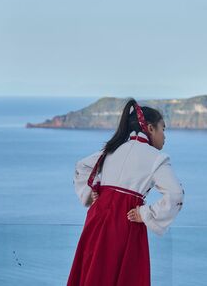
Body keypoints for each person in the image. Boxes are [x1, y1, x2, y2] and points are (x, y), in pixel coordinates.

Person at [67, 98, 184, 286]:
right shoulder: (157, 158)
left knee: (93, 276)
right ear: (150, 128)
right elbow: (176, 195)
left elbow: (82, 167)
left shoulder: (111, 149)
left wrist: (92, 193)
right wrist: (145, 214)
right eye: (163, 128)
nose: (165, 135)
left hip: (95, 221)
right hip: (125, 223)